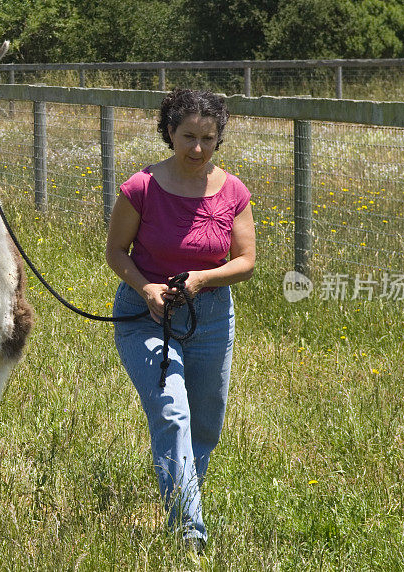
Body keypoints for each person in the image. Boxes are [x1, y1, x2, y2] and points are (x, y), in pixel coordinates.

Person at [105, 88, 255, 550]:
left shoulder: (233, 192)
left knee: (206, 422)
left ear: (218, 139)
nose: (196, 148)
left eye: (208, 138)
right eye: (187, 135)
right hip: (145, 313)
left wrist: (202, 279)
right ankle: (190, 534)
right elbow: (115, 252)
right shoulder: (141, 188)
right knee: (172, 414)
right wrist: (145, 287)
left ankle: (178, 497)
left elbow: (246, 261)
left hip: (210, 314)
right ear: (169, 132)